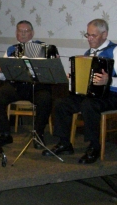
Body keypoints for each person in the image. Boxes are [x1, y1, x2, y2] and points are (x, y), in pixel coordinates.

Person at [43, 18, 117, 164]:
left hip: (112, 95)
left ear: (104, 34)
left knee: (89, 105)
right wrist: (73, 79)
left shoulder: (115, 50)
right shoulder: (88, 52)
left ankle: (93, 147)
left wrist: (109, 80)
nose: (89, 39)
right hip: (91, 95)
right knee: (61, 103)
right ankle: (65, 143)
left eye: (93, 35)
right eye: (87, 35)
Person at [0, 20, 53, 148]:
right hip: (17, 86)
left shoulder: (43, 47)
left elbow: (49, 70)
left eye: (26, 31)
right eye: (19, 31)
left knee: (46, 98)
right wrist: (1, 70)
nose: (22, 34)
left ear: (32, 33)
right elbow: (1, 77)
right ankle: (5, 134)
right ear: (16, 33)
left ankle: (39, 134)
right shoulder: (11, 50)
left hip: (37, 87)